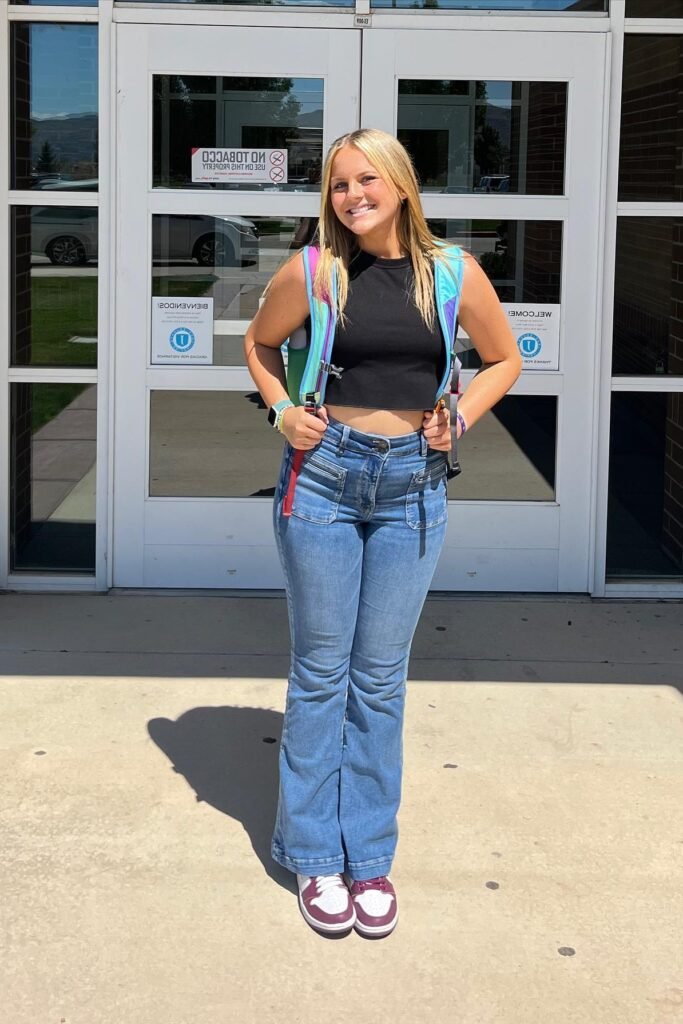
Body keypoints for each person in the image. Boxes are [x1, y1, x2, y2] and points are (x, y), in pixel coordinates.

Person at [244, 128, 522, 939]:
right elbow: (260, 344)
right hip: (323, 478)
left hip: (412, 486)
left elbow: (504, 359)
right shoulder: (315, 271)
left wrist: (458, 418)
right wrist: (282, 409)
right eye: (338, 185)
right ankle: (312, 854)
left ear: (401, 186)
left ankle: (366, 854)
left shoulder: (451, 271)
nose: (352, 196)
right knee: (321, 674)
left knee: (377, 680)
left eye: (367, 180)